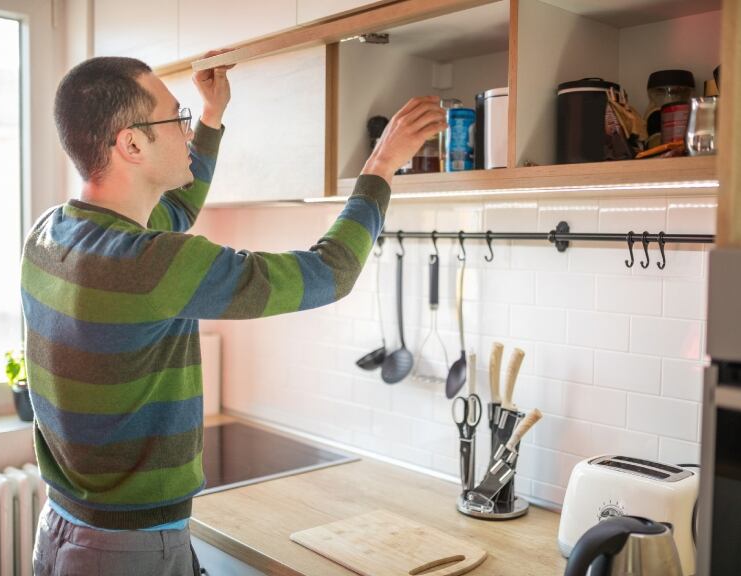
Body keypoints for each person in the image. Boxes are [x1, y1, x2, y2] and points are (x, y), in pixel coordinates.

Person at [22, 52, 446, 575]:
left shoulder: (53, 231)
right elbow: (329, 273)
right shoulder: (151, 264)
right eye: (173, 118)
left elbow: (175, 210)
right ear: (131, 144)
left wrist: (210, 115)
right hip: (125, 551)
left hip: (64, 531)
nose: (182, 128)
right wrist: (381, 166)